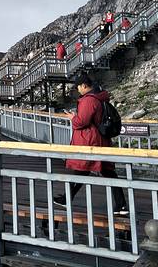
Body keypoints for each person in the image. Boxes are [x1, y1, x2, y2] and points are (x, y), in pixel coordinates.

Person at [54, 73, 127, 215]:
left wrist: (73, 118)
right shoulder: (98, 97)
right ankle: (121, 205)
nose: (78, 90)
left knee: (84, 169)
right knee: (103, 172)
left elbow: (82, 122)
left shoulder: (89, 100)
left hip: (90, 142)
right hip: (98, 140)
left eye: (78, 87)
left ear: (84, 85)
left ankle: (66, 198)